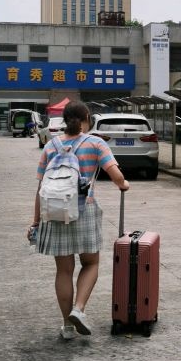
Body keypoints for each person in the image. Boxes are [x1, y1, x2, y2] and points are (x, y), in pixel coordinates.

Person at [29, 101, 129, 341]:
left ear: (64, 119)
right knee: (91, 263)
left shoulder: (51, 146)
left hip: (54, 213)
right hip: (84, 211)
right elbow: (116, 175)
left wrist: (35, 222)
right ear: (87, 117)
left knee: (63, 270)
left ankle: (67, 326)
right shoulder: (95, 143)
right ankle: (79, 308)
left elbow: (41, 187)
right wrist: (124, 184)